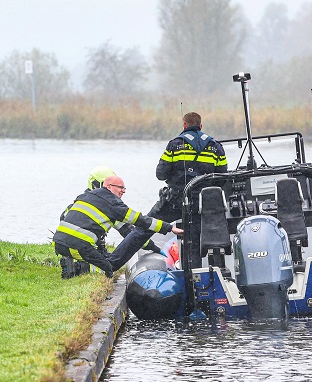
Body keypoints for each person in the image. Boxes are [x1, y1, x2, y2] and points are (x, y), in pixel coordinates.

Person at [54, 175, 183, 278]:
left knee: (97, 257)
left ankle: (71, 264)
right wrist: (169, 228)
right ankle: (78, 268)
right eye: (120, 187)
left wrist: (152, 246)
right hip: (80, 246)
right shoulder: (113, 204)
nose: (123, 191)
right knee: (108, 268)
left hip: (59, 243)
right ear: (109, 187)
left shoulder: (86, 196)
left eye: (125, 188)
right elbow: (140, 221)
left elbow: (65, 215)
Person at [150, 111, 228, 224]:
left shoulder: (174, 144)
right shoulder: (216, 147)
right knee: (201, 232)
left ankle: (132, 240)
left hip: (175, 201)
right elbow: (222, 178)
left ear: (185, 125)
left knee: (146, 225)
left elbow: (160, 174)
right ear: (201, 126)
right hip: (203, 203)